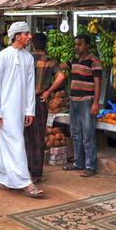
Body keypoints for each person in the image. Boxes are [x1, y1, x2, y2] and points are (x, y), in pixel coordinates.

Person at [0, 21, 43, 198]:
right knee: (17, 143)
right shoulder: (2, 57)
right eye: (26, 34)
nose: (29, 37)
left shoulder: (28, 58)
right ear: (17, 36)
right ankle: (25, 182)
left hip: (20, 110)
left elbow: (30, 87)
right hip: (5, 109)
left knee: (8, 142)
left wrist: (30, 110)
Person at [61, 35, 102, 177]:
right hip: (74, 101)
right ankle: (78, 163)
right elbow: (61, 67)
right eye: (75, 44)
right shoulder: (74, 60)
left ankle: (90, 166)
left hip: (87, 101)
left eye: (79, 44)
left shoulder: (94, 61)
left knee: (88, 134)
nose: (76, 47)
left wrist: (96, 102)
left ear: (87, 46)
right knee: (76, 133)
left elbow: (98, 83)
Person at [27, 32, 65, 183]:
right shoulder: (50, 61)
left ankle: (24, 170)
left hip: (24, 99)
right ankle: (36, 173)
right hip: (40, 100)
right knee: (38, 136)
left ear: (32, 44)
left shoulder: (26, 59)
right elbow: (61, 76)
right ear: (46, 44)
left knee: (24, 136)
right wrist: (48, 91)